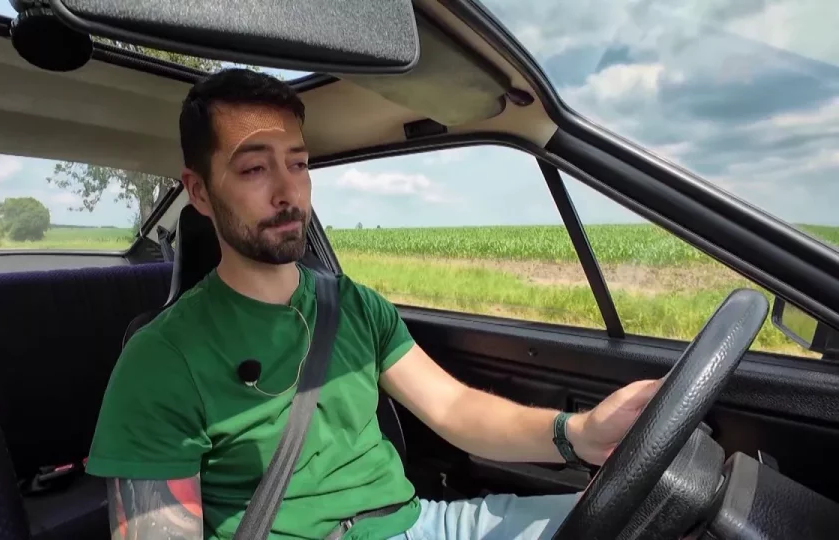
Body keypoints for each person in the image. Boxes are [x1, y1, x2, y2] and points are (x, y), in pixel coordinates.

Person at [85, 68, 662, 540]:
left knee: (659, 516)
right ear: (200, 192)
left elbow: (455, 408)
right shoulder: (160, 360)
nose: (288, 191)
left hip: (424, 526)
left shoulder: (354, 306)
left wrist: (578, 432)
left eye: (298, 163)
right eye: (255, 168)